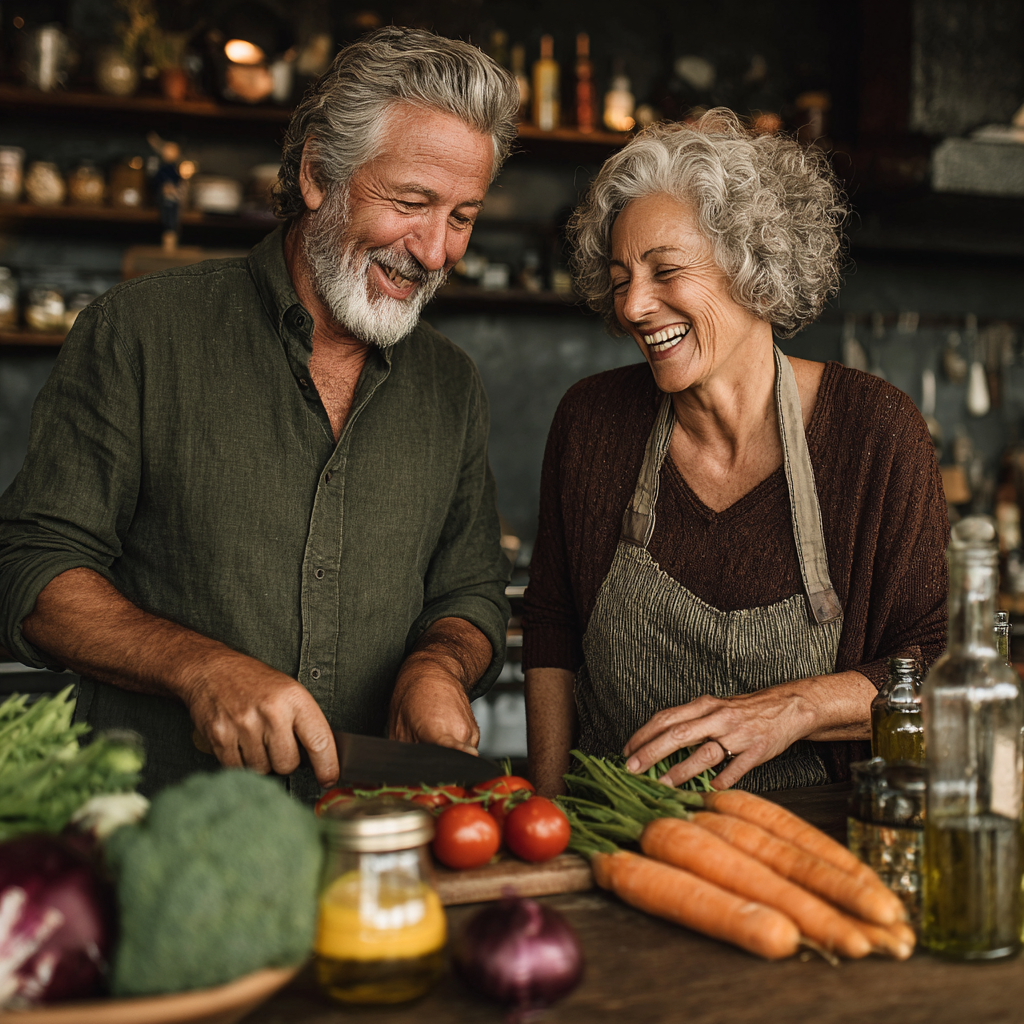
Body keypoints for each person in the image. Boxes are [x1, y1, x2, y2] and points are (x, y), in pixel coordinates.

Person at [0, 27, 520, 802]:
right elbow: (32, 567)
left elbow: (470, 592)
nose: (438, 251)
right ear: (317, 174)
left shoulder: (450, 383)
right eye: (412, 204)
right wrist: (199, 667)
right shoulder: (140, 332)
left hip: (371, 836)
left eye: (462, 216)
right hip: (154, 827)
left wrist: (438, 666)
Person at [523, 111, 948, 797]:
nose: (633, 306)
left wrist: (794, 708)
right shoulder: (592, 421)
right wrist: (545, 818)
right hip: (607, 844)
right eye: (620, 276)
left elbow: (934, 670)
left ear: (754, 265)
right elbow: (551, 627)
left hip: (807, 849)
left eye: (665, 271)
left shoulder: (873, 432)